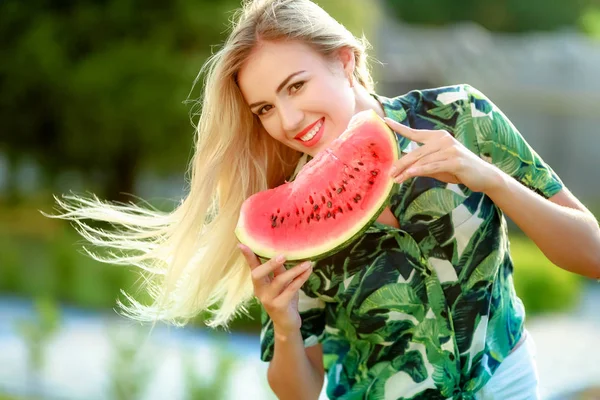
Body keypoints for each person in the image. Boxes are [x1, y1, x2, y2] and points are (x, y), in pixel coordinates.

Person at [51, 0, 600, 399]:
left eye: (295, 86)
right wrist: (285, 325)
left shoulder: (459, 118)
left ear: (343, 59)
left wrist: (491, 180)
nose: (287, 121)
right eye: (265, 108)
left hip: (506, 384)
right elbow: (299, 390)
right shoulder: (288, 210)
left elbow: (592, 255)